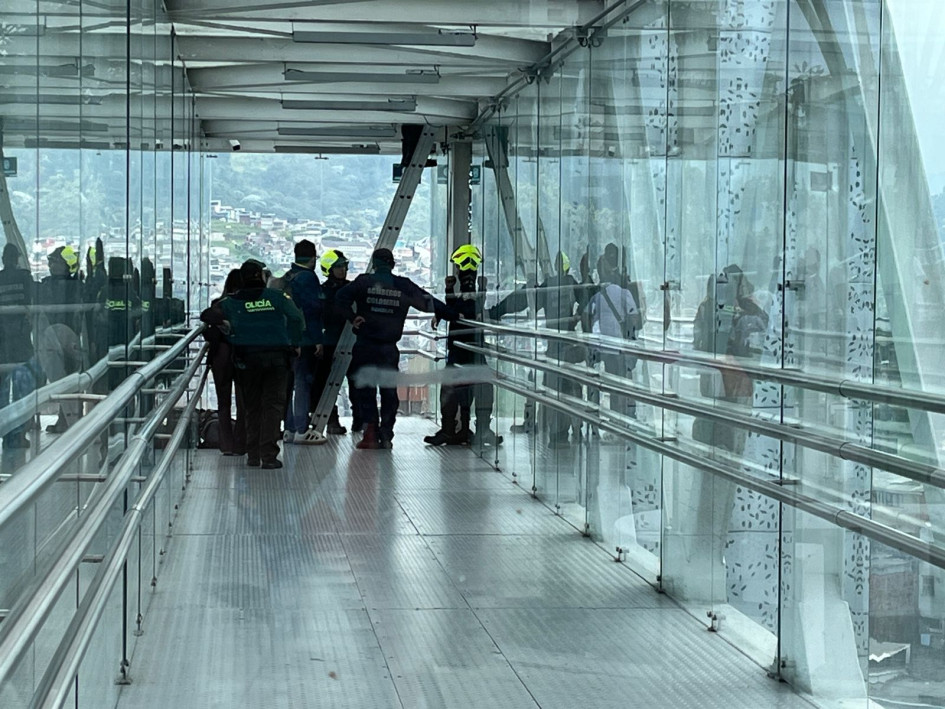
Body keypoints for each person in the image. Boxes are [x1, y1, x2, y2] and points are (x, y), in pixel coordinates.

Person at [335, 248, 456, 450]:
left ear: (374, 264)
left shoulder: (363, 282)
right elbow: (429, 303)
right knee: (389, 391)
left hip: (365, 345)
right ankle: (387, 433)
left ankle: (371, 433)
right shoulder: (403, 286)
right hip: (388, 348)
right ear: (392, 264)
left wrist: (352, 317)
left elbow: (340, 298)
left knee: (366, 389)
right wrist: (454, 314)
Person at [205, 259, 303, 469]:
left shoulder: (232, 302)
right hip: (276, 359)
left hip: (247, 361)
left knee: (251, 406)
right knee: (273, 406)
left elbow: (208, 314)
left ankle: (252, 455)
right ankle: (268, 456)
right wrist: (294, 342)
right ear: (261, 276)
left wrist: (227, 324)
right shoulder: (276, 297)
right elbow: (296, 318)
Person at [489, 251, 586, 447]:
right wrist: (577, 315)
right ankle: (573, 429)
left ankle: (554, 429)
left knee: (552, 387)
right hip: (566, 342)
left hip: (554, 345)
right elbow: (586, 301)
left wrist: (496, 311)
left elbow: (525, 301)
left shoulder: (550, 286)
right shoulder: (572, 285)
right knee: (571, 387)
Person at [424, 244, 502, 447]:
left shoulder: (468, 298)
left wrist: (449, 296)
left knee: (455, 388)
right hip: (471, 349)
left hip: (462, 349)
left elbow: (462, 310)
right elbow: (463, 310)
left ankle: (455, 430)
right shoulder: (470, 297)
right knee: (478, 388)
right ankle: (475, 429)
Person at [280, 240, 325, 444]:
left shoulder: (288, 276)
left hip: (287, 339)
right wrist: (317, 339)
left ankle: (288, 428)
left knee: (289, 384)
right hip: (305, 339)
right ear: (313, 258)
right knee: (302, 383)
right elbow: (312, 310)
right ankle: (301, 429)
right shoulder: (308, 277)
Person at [587, 249, 640, 418]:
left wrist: (590, 336)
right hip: (622, 348)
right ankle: (624, 419)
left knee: (612, 385)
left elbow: (586, 316)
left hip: (607, 349)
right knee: (622, 386)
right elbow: (635, 319)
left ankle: (615, 419)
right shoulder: (626, 293)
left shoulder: (598, 295)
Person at [310, 248, 357, 435]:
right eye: (338, 267)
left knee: (355, 382)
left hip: (349, 341)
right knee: (325, 383)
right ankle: (331, 419)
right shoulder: (322, 292)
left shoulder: (351, 290)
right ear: (329, 269)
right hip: (329, 342)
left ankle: (359, 419)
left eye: (344, 266)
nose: (343, 270)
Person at [199, 268, 245, 456]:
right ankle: (242, 442)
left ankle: (226, 445)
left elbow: (206, 316)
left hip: (220, 358)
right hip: (242, 357)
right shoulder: (246, 306)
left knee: (223, 402)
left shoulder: (218, 304)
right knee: (244, 402)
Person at [38, 245, 83, 432]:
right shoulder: (53, 284)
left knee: (69, 380)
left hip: (68, 335)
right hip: (56, 335)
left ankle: (68, 420)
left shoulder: (71, 286)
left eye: (55, 261)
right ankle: (65, 419)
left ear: (66, 264)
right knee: (62, 381)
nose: (50, 265)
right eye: (50, 261)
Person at [0, 243, 38, 467]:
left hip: (2, 340)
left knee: (3, 389)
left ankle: (7, 433)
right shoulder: (25, 278)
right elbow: (31, 305)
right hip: (20, 341)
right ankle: (18, 433)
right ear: (17, 258)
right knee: (23, 386)